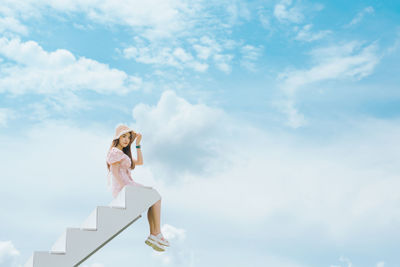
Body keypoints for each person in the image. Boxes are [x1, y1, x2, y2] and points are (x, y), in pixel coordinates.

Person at [106, 124, 170, 252]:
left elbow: (140, 162)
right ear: (117, 137)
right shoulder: (114, 152)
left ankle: (154, 233)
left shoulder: (123, 154)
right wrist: (125, 189)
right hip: (124, 187)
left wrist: (138, 145)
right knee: (155, 197)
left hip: (129, 185)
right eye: (123, 136)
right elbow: (114, 173)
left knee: (155, 198)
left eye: (129, 138)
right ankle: (156, 233)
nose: (126, 140)